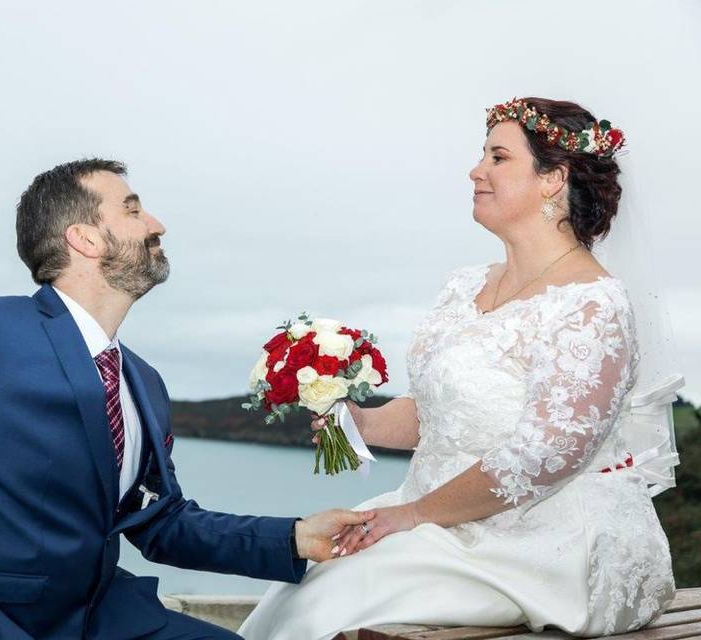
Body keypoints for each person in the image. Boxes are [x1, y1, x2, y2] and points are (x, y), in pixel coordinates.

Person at [0, 159, 376, 640]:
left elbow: (159, 523)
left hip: (101, 615)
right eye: (133, 210)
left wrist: (295, 537)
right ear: (84, 238)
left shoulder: (144, 382)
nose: (157, 224)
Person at [238, 97, 677, 639]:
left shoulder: (590, 304)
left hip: (542, 540)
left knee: (330, 601)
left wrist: (416, 515)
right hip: (435, 518)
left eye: (498, 157)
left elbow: (548, 454)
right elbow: (441, 413)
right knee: (306, 575)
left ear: (553, 179)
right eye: (482, 156)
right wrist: (359, 419)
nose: (477, 171)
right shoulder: (466, 285)